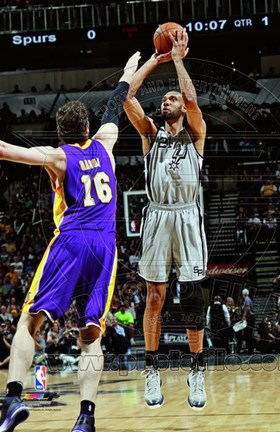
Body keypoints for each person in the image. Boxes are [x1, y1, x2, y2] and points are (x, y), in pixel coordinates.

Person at [0, 51, 140, 432]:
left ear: (61, 133)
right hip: (106, 246)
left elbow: (5, 150)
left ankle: (12, 398)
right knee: (90, 333)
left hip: (72, 240)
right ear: (88, 127)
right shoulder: (106, 142)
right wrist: (131, 71)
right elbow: (117, 100)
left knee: (30, 321)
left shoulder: (57, 157)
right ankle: (85, 418)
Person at [124, 29, 208, 410]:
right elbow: (127, 97)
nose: (167, 100)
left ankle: (196, 371)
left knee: (191, 297)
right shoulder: (150, 134)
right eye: (164, 98)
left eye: (170, 97)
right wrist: (153, 62)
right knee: (155, 297)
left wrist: (176, 59)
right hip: (158, 217)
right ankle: (152, 369)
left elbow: (191, 97)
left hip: (188, 217)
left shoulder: (196, 134)